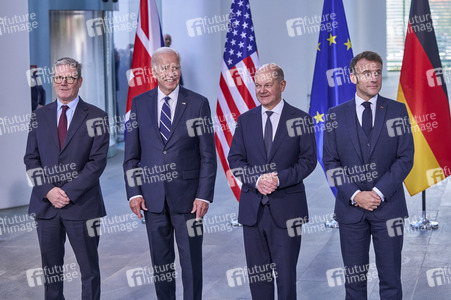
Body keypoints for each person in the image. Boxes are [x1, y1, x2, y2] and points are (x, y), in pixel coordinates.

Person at [123, 47, 217, 300]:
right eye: (164, 68)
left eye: (174, 67)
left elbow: (208, 155)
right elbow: (131, 156)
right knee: (161, 265)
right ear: (154, 71)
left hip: (189, 201)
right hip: (153, 200)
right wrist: (134, 193)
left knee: (191, 263)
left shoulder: (198, 103)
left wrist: (204, 196)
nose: (170, 73)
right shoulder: (139, 104)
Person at [323, 51, 414, 300]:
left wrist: (376, 193)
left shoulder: (397, 111)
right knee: (354, 283)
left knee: (391, 280)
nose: (373, 78)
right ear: (353, 77)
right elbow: (330, 162)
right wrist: (355, 194)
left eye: (377, 72)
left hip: (389, 208)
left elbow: (405, 158)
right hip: (350, 211)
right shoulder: (335, 115)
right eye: (366, 73)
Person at [228, 63, 317, 299]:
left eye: (268, 85)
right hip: (253, 211)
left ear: (282, 85)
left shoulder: (300, 119)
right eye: (258, 85)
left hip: (287, 209)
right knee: (258, 277)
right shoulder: (245, 120)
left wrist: (278, 179)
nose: (262, 90)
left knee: (286, 277)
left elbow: (308, 161)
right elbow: (235, 159)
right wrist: (257, 180)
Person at [24, 57, 110, 300]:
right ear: (53, 81)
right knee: (51, 272)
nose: (64, 82)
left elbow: (97, 163)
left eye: (70, 78)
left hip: (82, 205)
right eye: (59, 77)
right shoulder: (39, 116)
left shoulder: (96, 116)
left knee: (89, 271)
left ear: (79, 81)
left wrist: (69, 192)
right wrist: (48, 191)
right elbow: (31, 159)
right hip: (46, 206)